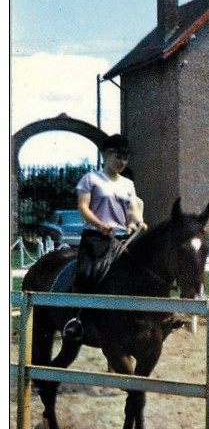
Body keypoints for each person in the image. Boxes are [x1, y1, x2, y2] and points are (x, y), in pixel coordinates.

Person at [63, 134, 147, 342]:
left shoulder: (128, 183)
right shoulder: (90, 179)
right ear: (106, 155)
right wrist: (100, 224)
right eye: (119, 157)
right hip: (96, 237)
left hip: (122, 237)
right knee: (88, 274)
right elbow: (83, 207)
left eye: (126, 158)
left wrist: (138, 221)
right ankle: (77, 320)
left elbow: (132, 209)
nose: (122, 162)